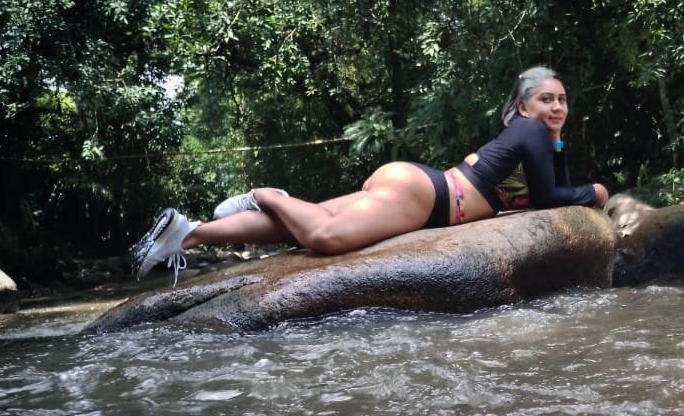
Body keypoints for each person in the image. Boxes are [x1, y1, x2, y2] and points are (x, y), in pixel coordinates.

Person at [131, 66, 611, 285]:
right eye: (545, 99)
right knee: (325, 237)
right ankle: (267, 193)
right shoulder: (531, 131)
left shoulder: (538, 140)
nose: (556, 107)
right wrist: (596, 191)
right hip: (427, 198)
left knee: (299, 228)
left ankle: (187, 235)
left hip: (419, 187)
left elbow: (548, 186)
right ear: (523, 107)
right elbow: (551, 196)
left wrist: (570, 174)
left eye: (562, 99)